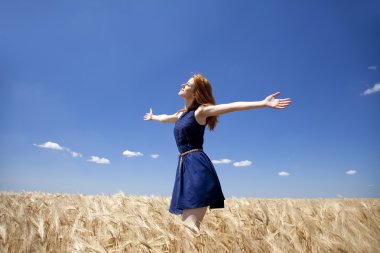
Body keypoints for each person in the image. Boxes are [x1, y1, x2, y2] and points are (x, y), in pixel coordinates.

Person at [144, 74, 291, 233]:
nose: (182, 85)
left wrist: (263, 103)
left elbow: (232, 106)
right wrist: (153, 117)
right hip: (184, 167)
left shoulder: (201, 111)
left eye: (187, 84)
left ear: (196, 92)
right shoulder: (181, 115)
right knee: (185, 230)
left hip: (196, 166)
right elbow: (166, 118)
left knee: (190, 229)